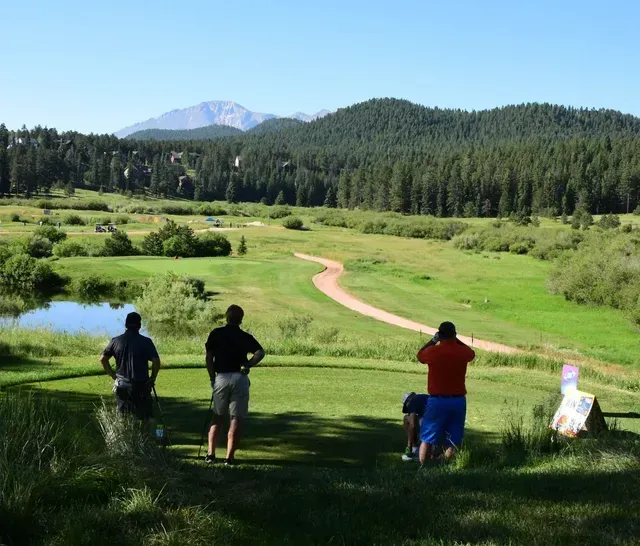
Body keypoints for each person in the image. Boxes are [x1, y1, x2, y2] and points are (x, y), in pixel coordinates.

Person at [205, 304, 265, 465]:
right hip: (239, 378)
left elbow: (209, 358)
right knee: (236, 418)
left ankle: (210, 454)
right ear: (241, 319)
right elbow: (260, 352)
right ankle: (229, 457)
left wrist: (212, 378)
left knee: (217, 416)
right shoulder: (244, 336)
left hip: (221, 378)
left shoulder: (216, 334)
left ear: (227, 317)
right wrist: (248, 365)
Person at [416, 321, 475, 463]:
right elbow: (471, 353)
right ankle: (445, 465)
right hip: (458, 400)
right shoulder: (462, 352)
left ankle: (424, 466)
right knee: (454, 438)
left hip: (437, 400)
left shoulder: (433, 351)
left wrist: (433, 340)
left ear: (440, 335)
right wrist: (455, 339)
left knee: (427, 437)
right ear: (454, 334)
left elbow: (419, 355)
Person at [99, 312, 161, 420]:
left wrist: (113, 375)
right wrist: (153, 377)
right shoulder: (146, 341)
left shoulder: (115, 341)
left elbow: (103, 359)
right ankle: (143, 436)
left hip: (122, 385)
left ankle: (126, 437)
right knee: (144, 418)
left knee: (124, 418)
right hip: (142, 385)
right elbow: (156, 360)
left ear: (126, 325)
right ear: (139, 325)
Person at [401, 391, 429, 461]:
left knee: (406, 419)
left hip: (429, 423)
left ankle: (415, 450)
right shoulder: (424, 397)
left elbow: (412, 425)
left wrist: (409, 447)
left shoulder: (412, 402)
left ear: (408, 401)